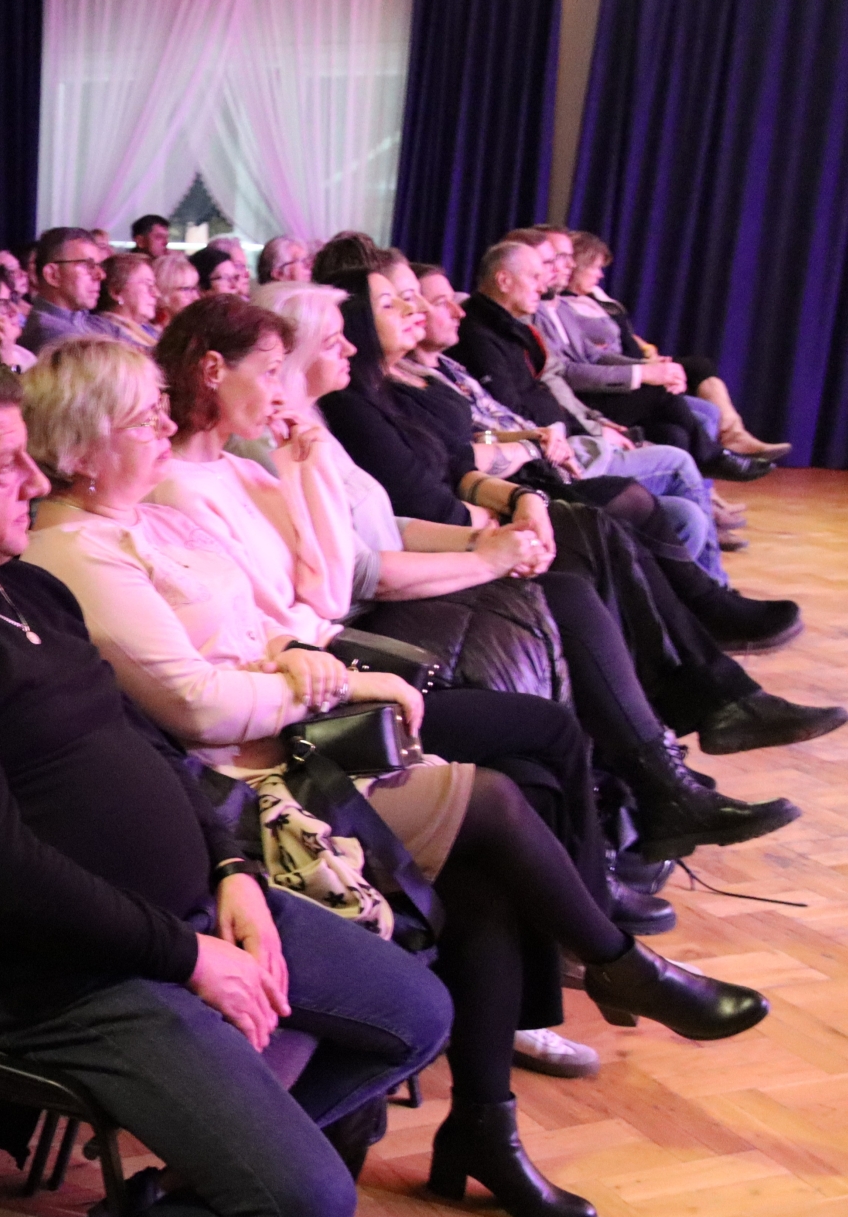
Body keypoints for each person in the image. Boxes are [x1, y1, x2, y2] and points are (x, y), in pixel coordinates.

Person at [10, 331, 769, 1217]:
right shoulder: (76, 551)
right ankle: (611, 971)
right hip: (240, 796)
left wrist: (311, 652)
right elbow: (196, 708)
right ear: (83, 447)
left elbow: (274, 617)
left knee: (492, 847)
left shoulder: (145, 518)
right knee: (493, 802)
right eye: (144, 418)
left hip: (294, 749)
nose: (166, 426)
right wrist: (320, 683)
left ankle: (492, 1120)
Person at [0, 348, 450, 1217]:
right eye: (7, 466)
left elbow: (150, 746)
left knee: (416, 1011)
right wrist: (189, 958)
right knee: (306, 1208)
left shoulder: (26, 588)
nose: (37, 480)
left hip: (184, 912)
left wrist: (231, 869)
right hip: (59, 976)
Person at [248, 280, 798, 875]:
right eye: (337, 338)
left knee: (579, 566)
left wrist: (488, 537)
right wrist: (489, 552)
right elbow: (361, 571)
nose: (352, 348)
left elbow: (398, 518)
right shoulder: (288, 438)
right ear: (296, 352)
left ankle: (666, 767)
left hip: (420, 566)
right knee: (585, 550)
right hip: (367, 627)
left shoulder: (315, 423)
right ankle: (670, 760)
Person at [317, 269, 844, 756]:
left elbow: (456, 465)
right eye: (395, 303)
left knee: (619, 515)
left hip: (501, 497)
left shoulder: (395, 387)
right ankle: (702, 690)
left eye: (413, 298)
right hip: (443, 549)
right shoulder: (349, 407)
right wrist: (497, 531)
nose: (419, 310)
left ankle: (703, 692)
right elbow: (423, 506)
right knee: (607, 523)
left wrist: (520, 500)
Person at [453, 241, 765, 484]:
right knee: (677, 453)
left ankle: (712, 483)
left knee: (677, 435)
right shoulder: (484, 333)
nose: (543, 283)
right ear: (504, 280)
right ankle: (713, 459)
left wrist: (596, 421)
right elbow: (517, 411)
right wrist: (592, 428)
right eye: (537, 273)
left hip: (569, 429)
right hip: (557, 445)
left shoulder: (517, 325)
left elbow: (558, 382)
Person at [566, 231, 785, 461]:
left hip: (634, 361)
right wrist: (647, 369)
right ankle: (717, 454)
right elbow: (592, 355)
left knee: (699, 366)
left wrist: (648, 353)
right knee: (689, 409)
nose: (600, 275)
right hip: (616, 376)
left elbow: (623, 333)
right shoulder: (566, 306)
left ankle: (733, 435)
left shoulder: (595, 296)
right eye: (595, 268)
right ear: (578, 266)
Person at [18, 226, 108, 353]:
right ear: (53, 275)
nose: (101, 275)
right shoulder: (54, 338)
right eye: (88, 265)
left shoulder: (87, 318)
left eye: (99, 266)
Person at [96, 252, 161, 349]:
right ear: (116, 292)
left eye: (153, 285)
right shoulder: (108, 336)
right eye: (147, 284)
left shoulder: (148, 329)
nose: (157, 294)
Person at [151, 252, 202, 332]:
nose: (196, 297)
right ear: (162, 291)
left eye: (195, 288)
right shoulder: (149, 334)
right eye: (186, 289)